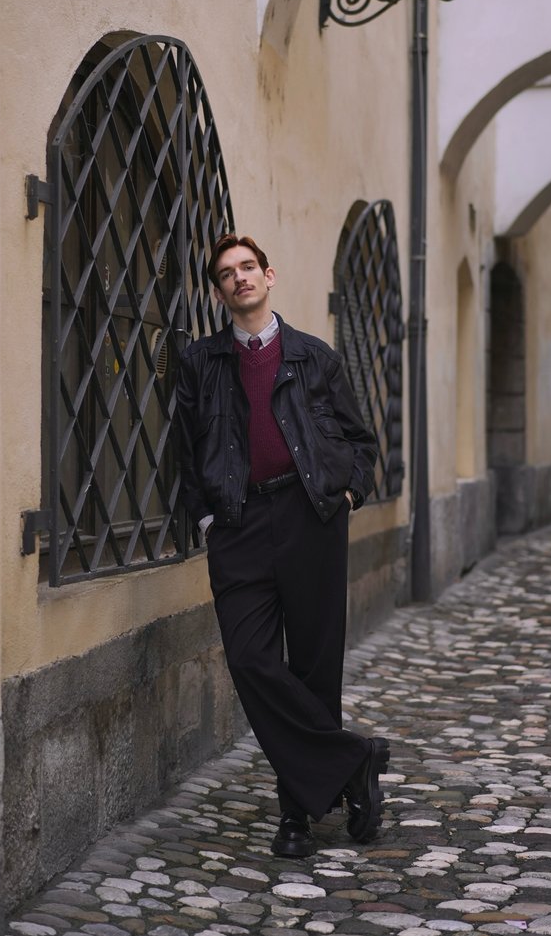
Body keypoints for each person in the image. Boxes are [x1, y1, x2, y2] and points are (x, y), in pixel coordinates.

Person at [175, 232, 389, 858]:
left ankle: (296, 815)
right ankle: (355, 762)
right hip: (238, 524)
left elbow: (360, 440)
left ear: (270, 276)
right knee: (250, 660)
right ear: (218, 292)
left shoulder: (314, 357)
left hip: (309, 516)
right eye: (225, 274)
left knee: (315, 668)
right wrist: (207, 520)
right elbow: (186, 453)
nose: (239, 278)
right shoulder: (201, 362)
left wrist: (346, 495)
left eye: (247, 267)